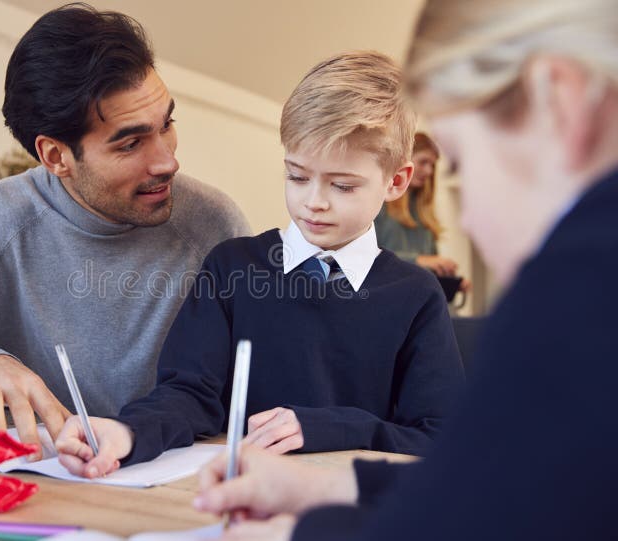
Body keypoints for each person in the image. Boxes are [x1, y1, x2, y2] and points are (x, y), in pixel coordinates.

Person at [193, 0, 618, 539]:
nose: (469, 218)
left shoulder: (582, 297)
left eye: (463, 162)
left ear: (560, 101)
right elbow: (491, 480)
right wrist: (328, 489)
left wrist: (300, 534)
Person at [55, 51, 465, 478]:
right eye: (297, 176)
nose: (314, 202)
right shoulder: (232, 267)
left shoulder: (415, 296)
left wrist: (328, 427)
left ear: (395, 182)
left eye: (342, 185)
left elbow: (440, 435)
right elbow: (189, 395)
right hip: (238, 498)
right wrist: (128, 432)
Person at [0, 3, 249, 458]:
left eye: (167, 124)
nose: (167, 161)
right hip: (49, 484)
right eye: (131, 142)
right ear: (56, 157)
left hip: (175, 483)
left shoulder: (213, 226)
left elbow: (256, 392)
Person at [375, 132, 460, 278]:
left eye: (432, 165)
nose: (429, 171)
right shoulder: (379, 203)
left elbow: (432, 264)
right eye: (423, 162)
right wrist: (418, 260)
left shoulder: (424, 212)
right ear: (404, 162)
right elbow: (370, 258)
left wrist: (450, 279)